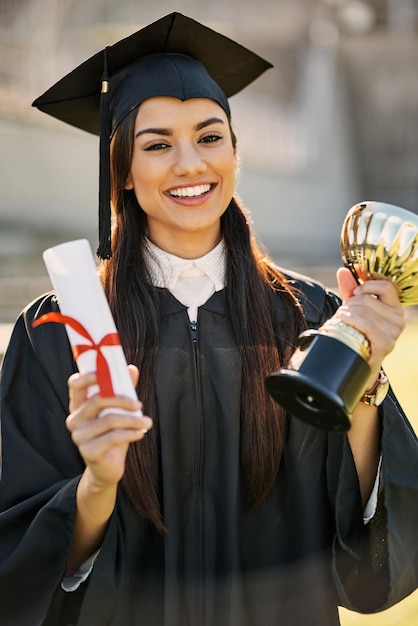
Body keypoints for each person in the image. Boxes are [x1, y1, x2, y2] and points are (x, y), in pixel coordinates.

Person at [0, 11, 417, 626]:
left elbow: (368, 560)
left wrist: (361, 386)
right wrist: (97, 484)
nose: (191, 164)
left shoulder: (309, 318)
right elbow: (22, 571)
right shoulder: (61, 334)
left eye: (210, 135)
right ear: (121, 170)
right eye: (158, 144)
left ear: (234, 151)